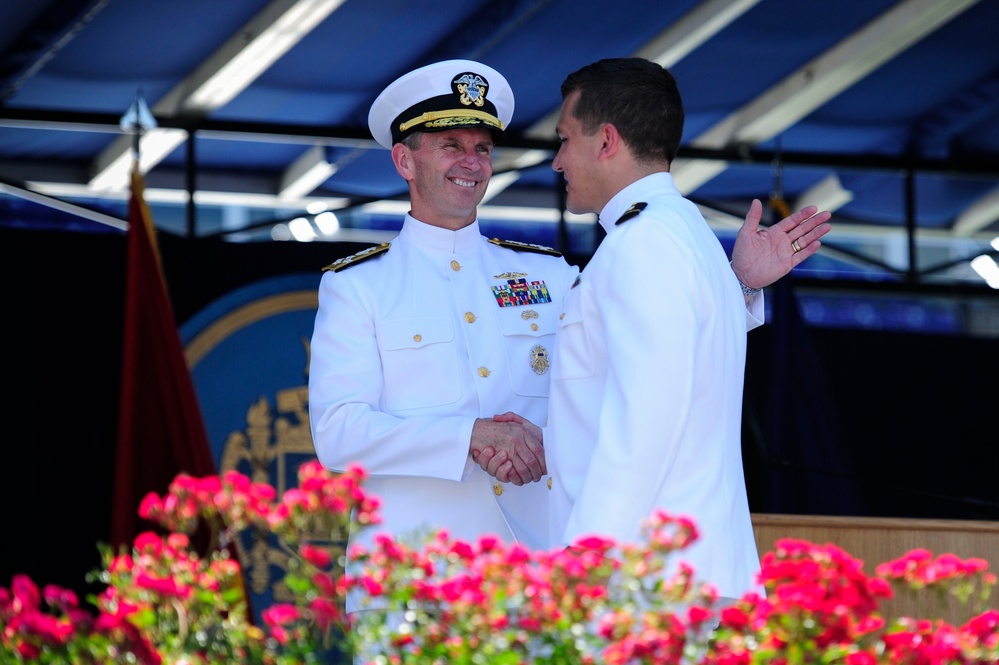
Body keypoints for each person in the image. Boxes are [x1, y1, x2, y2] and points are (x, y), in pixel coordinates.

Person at [307, 60, 830, 615]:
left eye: (483, 148)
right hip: (413, 579)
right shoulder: (357, 286)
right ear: (403, 159)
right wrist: (469, 437)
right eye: (450, 144)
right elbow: (339, 433)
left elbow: (646, 341)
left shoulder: (550, 275)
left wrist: (736, 283)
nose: (471, 162)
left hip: (532, 576)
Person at [487, 57, 827, 604]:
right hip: (678, 577)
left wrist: (588, 557)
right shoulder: (679, 230)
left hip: (648, 586)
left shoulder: (642, 243)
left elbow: (648, 417)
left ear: (606, 142)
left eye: (565, 139)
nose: (556, 161)